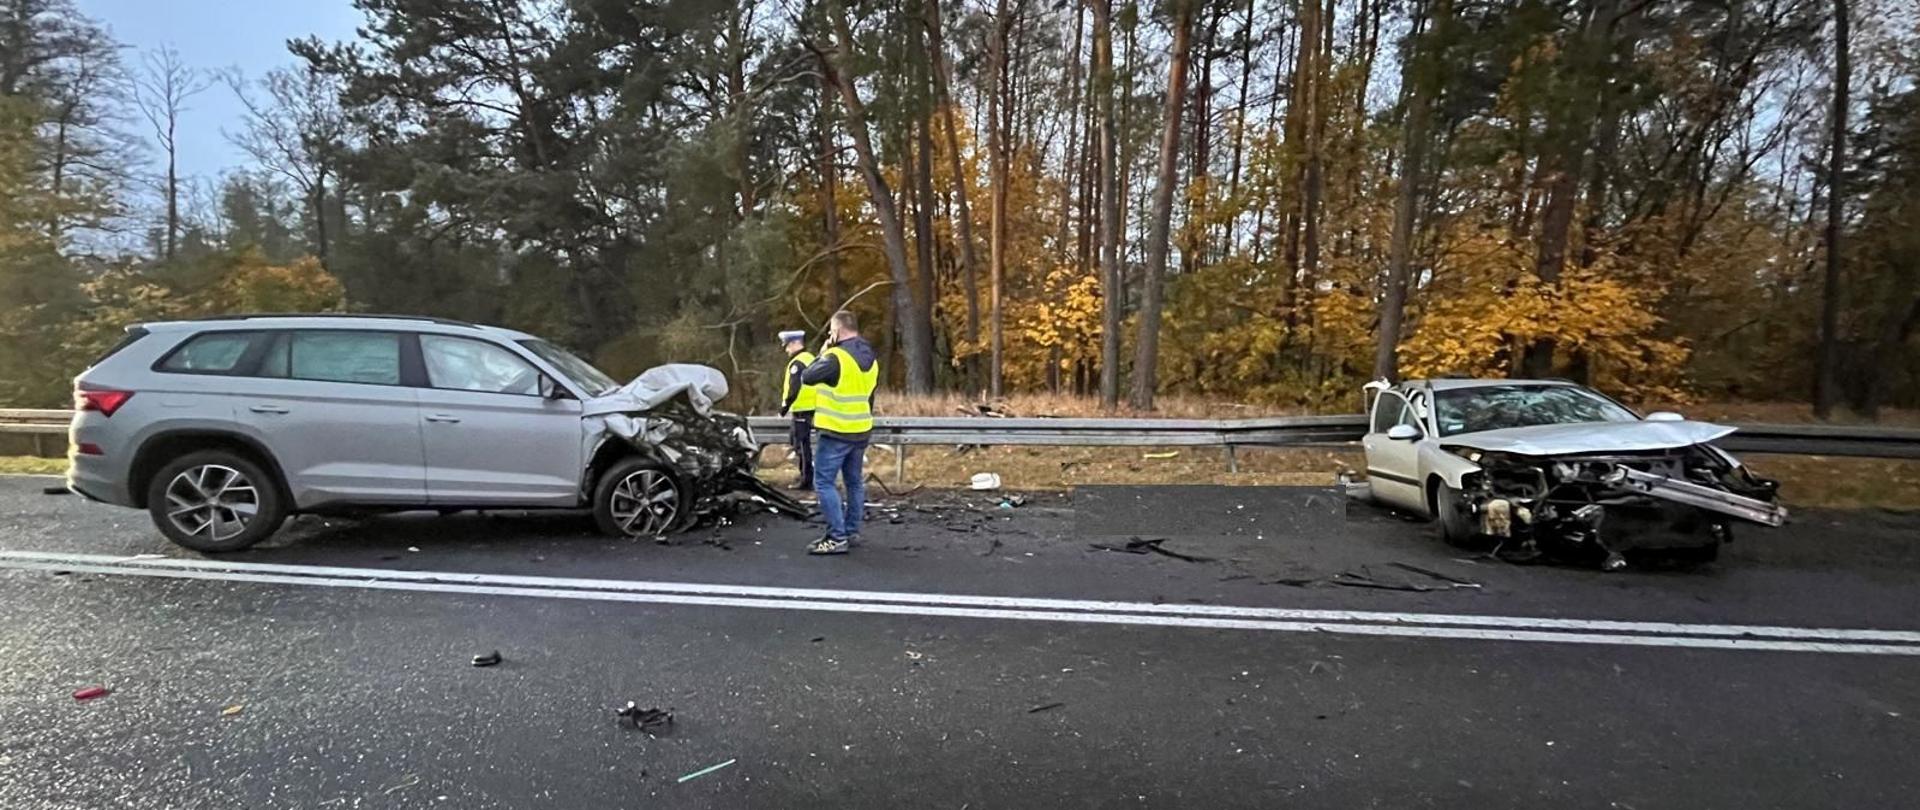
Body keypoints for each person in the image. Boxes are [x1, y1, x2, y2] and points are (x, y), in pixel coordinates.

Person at [799, 310, 878, 556]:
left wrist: (823, 351)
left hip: (836, 431)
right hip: (861, 428)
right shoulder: (870, 357)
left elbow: (807, 376)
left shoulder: (835, 357)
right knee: (854, 482)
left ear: (836, 331)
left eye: (831, 331)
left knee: (823, 482)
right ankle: (851, 530)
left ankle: (836, 537)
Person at [777, 330, 818, 490]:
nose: (786, 350)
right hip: (813, 408)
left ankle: (806, 480)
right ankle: (806, 477)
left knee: (801, 446)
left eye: (787, 346)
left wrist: (784, 408)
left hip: (803, 409)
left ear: (795, 343)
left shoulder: (798, 363)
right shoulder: (810, 358)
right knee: (800, 444)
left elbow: (794, 387)